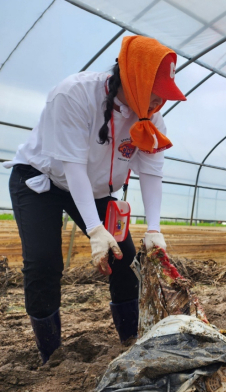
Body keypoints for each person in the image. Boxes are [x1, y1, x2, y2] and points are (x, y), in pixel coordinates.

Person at [5, 36, 185, 363]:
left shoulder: (151, 117)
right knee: (44, 262)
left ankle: (130, 337)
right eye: (154, 91)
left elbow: (151, 174)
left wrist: (155, 229)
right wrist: (94, 229)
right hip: (42, 177)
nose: (160, 101)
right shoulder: (74, 94)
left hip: (96, 189)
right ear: (133, 78)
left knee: (124, 257)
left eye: (164, 95)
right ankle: (51, 354)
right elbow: (72, 167)